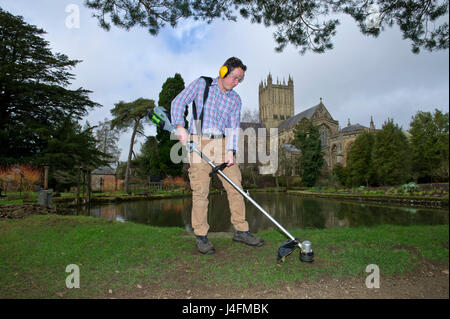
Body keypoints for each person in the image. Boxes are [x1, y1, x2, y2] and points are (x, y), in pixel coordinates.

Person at [171, 57, 264, 254]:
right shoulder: (202, 84)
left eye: (240, 80)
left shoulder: (235, 99)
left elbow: (232, 127)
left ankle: (241, 230)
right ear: (223, 71)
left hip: (222, 144)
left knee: (236, 187)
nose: (236, 82)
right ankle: (201, 236)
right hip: (198, 140)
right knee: (201, 191)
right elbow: (179, 101)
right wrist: (180, 127)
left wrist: (231, 151)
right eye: (234, 77)